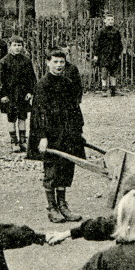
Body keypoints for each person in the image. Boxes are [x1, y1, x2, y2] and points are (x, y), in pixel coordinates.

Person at [28, 48, 87, 222]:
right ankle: (52, 207)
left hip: (67, 132)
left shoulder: (68, 83)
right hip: (50, 134)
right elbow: (39, 112)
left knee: (66, 168)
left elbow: (75, 109)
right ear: (48, 63)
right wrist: (42, 136)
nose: (59, 65)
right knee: (51, 170)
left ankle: (62, 205)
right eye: (55, 62)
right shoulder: (42, 85)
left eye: (62, 62)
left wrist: (78, 131)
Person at [0, 38, 38, 151]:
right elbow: (0, 79)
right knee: (11, 117)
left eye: (19, 45)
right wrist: (3, 94)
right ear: (10, 46)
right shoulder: (4, 61)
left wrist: (30, 92)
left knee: (22, 117)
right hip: (9, 94)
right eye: (14, 45)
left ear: (22, 46)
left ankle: (23, 141)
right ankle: (14, 141)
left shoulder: (26, 61)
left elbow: (31, 78)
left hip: (22, 94)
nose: (17, 47)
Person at [93, 15, 126, 97]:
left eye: (112, 19)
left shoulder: (116, 31)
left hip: (114, 54)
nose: (110, 21)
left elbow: (119, 43)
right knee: (104, 72)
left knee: (113, 72)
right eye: (108, 19)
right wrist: (96, 55)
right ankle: (104, 90)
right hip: (104, 55)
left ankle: (113, 90)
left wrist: (119, 53)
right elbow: (96, 44)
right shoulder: (101, 31)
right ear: (104, 21)